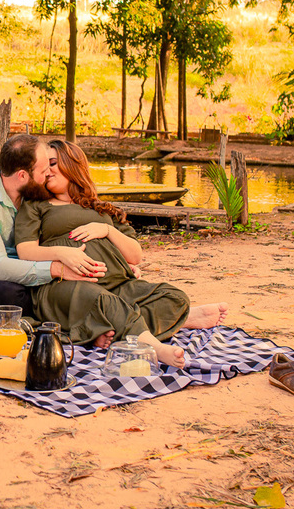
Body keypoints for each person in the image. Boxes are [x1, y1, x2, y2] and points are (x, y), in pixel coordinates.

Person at [14, 140, 229, 368]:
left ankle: (101, 329)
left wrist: (106, 230)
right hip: (63, 286)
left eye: (52, 163)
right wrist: (63, 253)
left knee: (174, 297)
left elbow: (135, 256)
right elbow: (25, 251)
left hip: (117, 283)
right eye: (43, 167)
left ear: (71, 163)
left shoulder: (99, 208)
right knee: (103, 301)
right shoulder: (36, 205)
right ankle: (153, 347)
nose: (47, 171)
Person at [0, 134, 105, 320]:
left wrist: (117, 258)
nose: (48, 173)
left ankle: (72, 313)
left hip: (31, 267)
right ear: (22, 175)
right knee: (11, 295)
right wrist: (56, 269)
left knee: (77, 283)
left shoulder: (33, 189)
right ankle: (65, 316)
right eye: (44, 170)